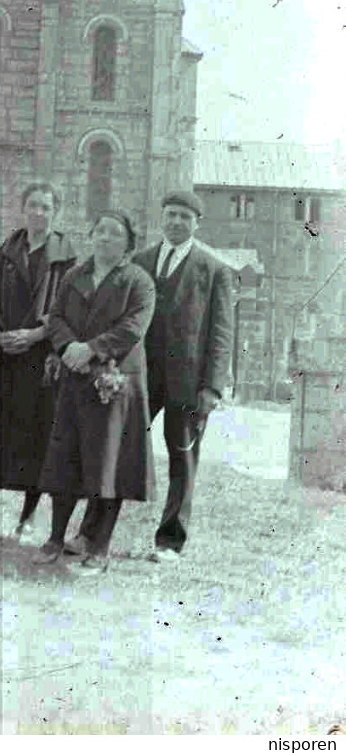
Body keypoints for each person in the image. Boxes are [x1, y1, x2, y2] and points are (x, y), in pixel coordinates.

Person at [35, 209, 156, 571]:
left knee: (108, 465)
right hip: (75, 379)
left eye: (114, 234)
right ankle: (57, 537)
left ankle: (98, 545)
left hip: (115, 381)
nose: (105, 238)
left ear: (128, 244)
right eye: (100, 231)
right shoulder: (75, 275)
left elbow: (133, 327)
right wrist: (68, 346)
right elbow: (55, 317)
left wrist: (92, 349)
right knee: (64, 459)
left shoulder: (138, 282)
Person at [0, 182, 77, 539]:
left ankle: (28, 517)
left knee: (37, 440)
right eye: (33, 206)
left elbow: (68, 309)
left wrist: (37, 334)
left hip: (40, 361)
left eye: (46, 207)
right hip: (2, 358)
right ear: (23, 209)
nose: (39, 212)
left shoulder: (67, 259)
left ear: (57, 213)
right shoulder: (5, 252)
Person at [133, 190, 234, 561]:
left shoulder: (214, 269)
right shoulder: (139, 261)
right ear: (162, 217)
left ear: (197, 223)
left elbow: (222, 332)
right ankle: (96, 532)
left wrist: (212, 386)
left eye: (184, 217)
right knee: (118, 448)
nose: (176, 222)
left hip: (188, 384)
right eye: (171, 214)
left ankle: (170, 541)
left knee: (182, 460)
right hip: (140, 376)